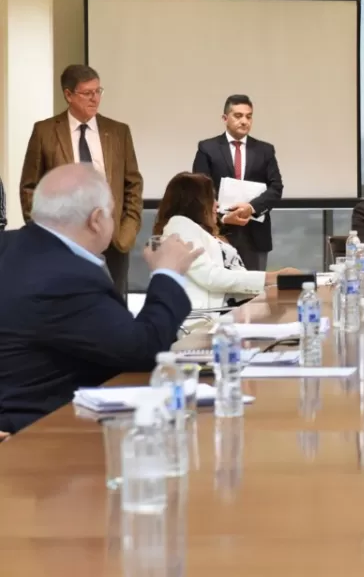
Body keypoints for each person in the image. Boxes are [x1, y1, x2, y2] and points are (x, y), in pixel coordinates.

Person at [0, 165, 199, 434]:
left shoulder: (13, 247)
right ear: (96, 219)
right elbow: (143, 351)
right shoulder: (66, 276)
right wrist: (168, 273)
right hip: (47, 434)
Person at [19, 64, 142, 299]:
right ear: (68, 95)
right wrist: (44, 233)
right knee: (67, 305)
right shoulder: (45, 131)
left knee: (113, 308)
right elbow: (29, 187)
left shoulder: (118, 132)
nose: (95, 99)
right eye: (87, 93)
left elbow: (133, 184)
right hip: (63, 239)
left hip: (112, 239)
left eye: (98, 91)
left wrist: (126, 232)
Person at [155, 172, 297, 312]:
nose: (217, 204)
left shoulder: (205, 233)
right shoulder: (179, 225)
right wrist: (272, 277)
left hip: (239, 309)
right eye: (212, 198)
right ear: (195, 202)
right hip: (213, 317)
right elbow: (210, 277)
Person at [191, 95, 283, 271]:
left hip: (255, 235)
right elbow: (199, 191)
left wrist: (251, 207)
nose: (244, 121)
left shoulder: (265, 150)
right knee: (221, 293)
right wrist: (222, 217)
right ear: (225, 118)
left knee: (254, 293)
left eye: (249, 116)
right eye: (238, 115)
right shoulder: (207, 148)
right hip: (217, 231)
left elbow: (276, 188)